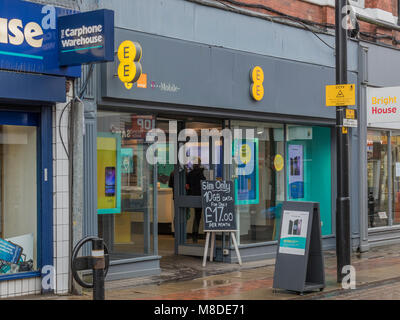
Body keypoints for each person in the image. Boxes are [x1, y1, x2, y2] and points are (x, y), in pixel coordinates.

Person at [186, 159, 206, 243]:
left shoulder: (189, 174)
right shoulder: (201, 173)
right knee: (198, 217)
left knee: (192, 216)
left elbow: (187, 186)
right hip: (200, 197)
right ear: (200, 164)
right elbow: (204, 184)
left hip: (191, 197)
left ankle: (192, 235)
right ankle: (196, 235)